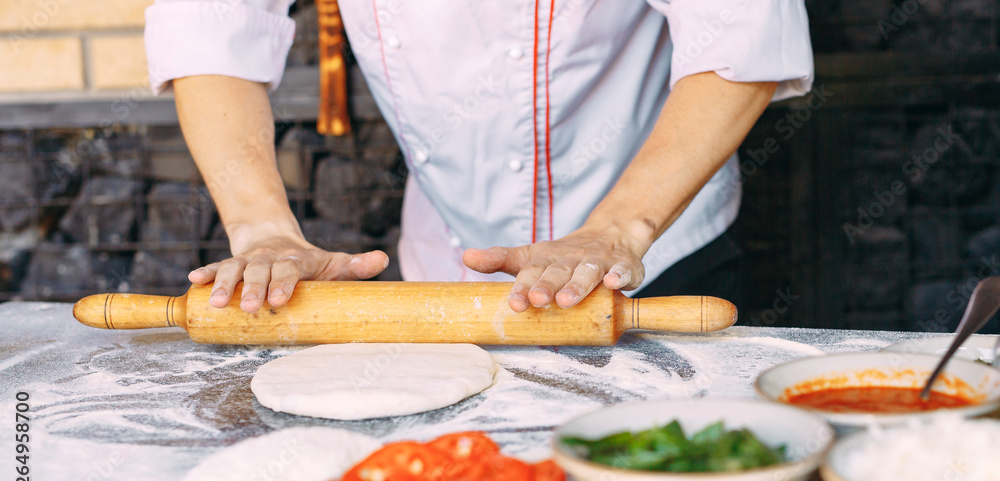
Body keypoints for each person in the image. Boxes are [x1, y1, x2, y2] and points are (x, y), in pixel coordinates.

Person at [144, 0, 813, 314]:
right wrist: (262, 230)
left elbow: (744, 29)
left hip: (654, 253)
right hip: (447, 264)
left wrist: (617, 230)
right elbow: (210, 25)